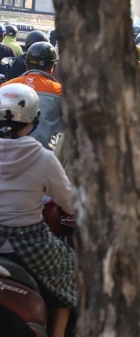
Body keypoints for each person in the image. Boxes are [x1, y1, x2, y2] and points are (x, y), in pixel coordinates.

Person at [0, 83, 77, 337]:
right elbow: (69, 202)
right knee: (70, 270)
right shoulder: (43, 157)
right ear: (33, 120)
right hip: (30, 241)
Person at [1, 42, 63, 149]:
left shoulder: (5, 87)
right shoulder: (60, 91)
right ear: (52, 67)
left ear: (26, 65)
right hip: (46, 156)